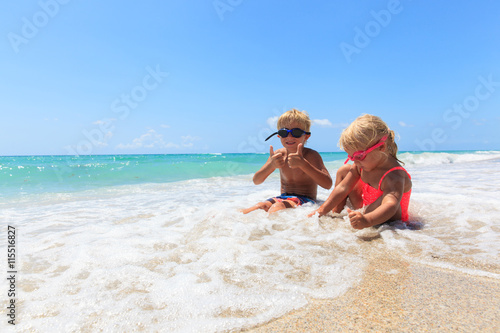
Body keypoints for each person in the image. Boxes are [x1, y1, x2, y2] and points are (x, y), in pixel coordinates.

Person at [308, 114, 412, 229]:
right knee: (344, 170)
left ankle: (364, 218)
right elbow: (343, 188)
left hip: (388, 219)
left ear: (381, 148)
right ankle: (336, 211)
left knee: (389, 198)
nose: (355, 162)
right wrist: (321, 210)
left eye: (359, 156)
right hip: (366, 208)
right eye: (351, 157)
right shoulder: (361, 165)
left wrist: (367, 220)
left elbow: (390, 205)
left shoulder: (394, 176)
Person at [242, 109, 332, 214]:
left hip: (306, 200)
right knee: (260, 206)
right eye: (284, 132)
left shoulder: (311, 155)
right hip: (282, 197)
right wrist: (271, 165)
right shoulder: (277, 155)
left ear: (306, 136)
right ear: (279, 135)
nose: (289, 137)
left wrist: (304, 165)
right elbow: (256, 180)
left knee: (278, 207)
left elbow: (327, 184)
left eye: (296, 133)